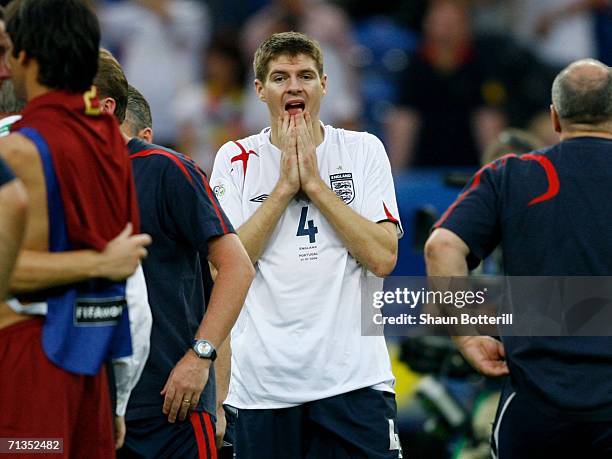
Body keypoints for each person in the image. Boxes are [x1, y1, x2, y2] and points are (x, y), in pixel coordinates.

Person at [210, 32, 404, 458]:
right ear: (259, 90)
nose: (294, 86)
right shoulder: (235, 158)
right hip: (262, 390)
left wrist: (316, 186)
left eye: (305, 75)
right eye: (280, 77)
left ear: (324, 85)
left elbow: (383, 256)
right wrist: (283, 189)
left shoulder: (362, 150)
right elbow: (222, 268)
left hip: (355, 383)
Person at [425, 58, 612, 458]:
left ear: (555, 117)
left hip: (535, 406)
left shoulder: (510, 175)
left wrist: (467, 334)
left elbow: (441, 247)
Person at [0, 1, 147, 456]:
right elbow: (129, 280)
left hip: (32, 355)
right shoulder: (110, 139)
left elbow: (9, 275)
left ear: (26, 55)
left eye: (7, 50)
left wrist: (100, 262)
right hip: (93, 356)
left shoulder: (18, 149)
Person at [94, 52, 254, 458]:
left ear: (103, 105)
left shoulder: (166, 170)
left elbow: (235, 267)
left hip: (170, 403)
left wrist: (200, 358)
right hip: (90, 401)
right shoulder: (57, 176)